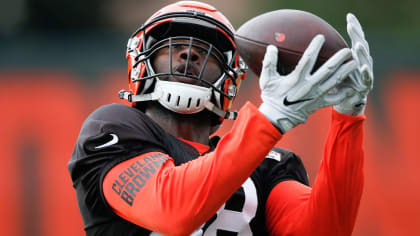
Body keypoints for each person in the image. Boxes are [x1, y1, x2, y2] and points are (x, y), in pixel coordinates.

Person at [68, 1, 373, 235]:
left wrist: (348, 117)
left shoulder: (267, 163)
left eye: (206, 52)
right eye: (172, 47)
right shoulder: (112, 129)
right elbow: (173, 210)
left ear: (232, 78)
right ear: (141, 60)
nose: (189, 55)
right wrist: (270, 119)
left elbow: (324, 230)